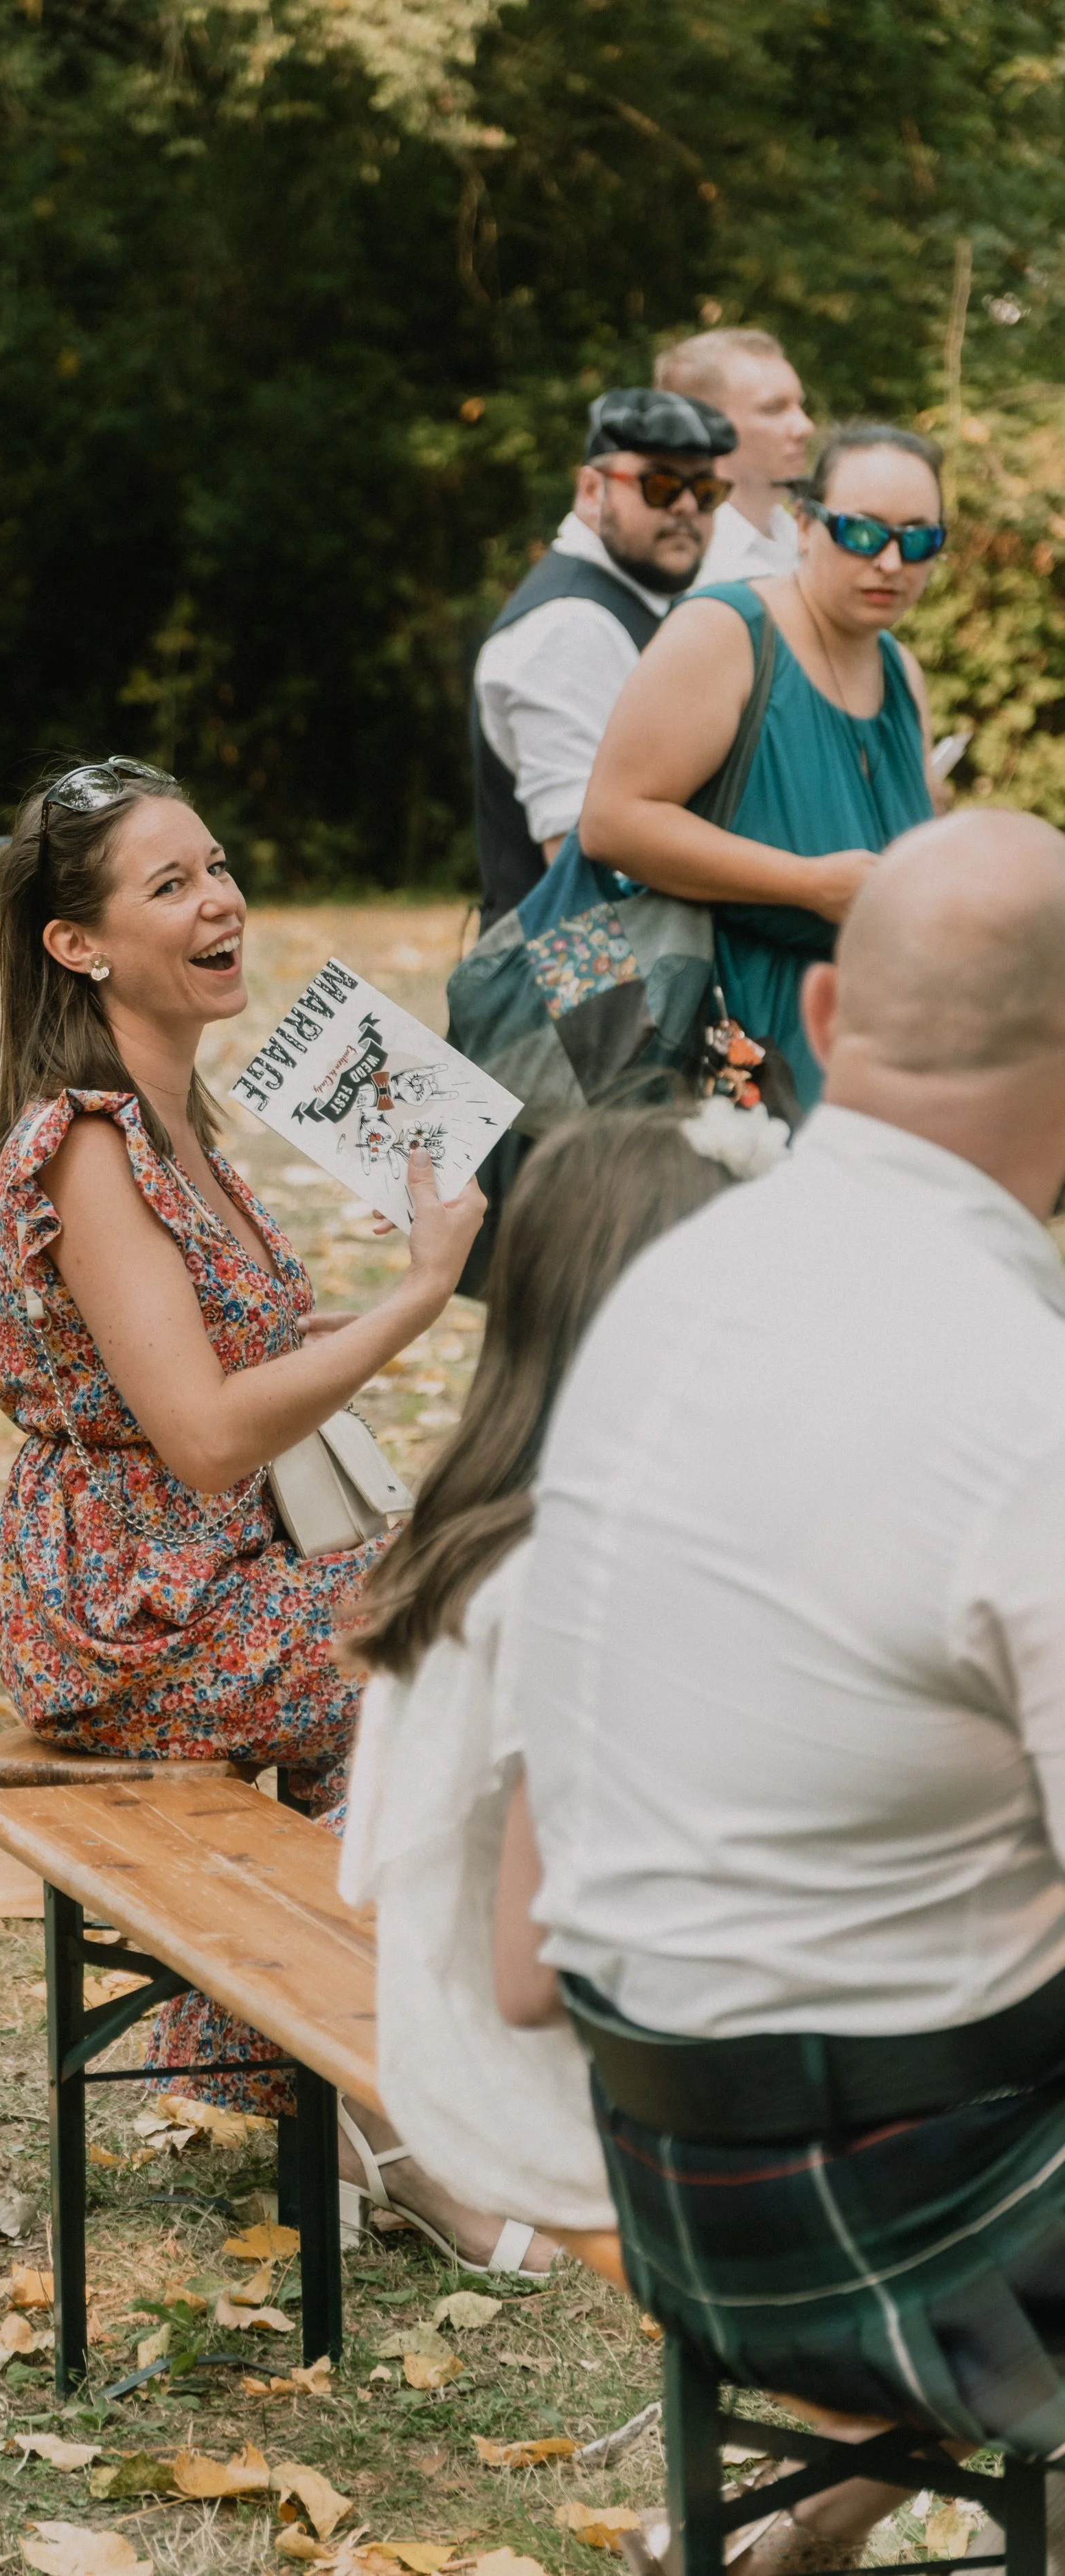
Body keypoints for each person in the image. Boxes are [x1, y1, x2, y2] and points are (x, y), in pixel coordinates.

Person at [507, 812, 1065, 2549]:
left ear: (821, 1012)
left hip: (674, 2184)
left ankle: (812, 2521)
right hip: (939, 2213)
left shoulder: (668, 1295)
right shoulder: (1016, 1393)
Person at [0, 756, 486, 2129]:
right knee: (454, 1645)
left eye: (215, 868)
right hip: (134, 1611)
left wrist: (351, 1305)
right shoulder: (88, 1145)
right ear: (75, 947)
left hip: (218, 1574)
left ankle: (340, 2082)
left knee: (424, 1658)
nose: (221, 902)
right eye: (171, 884)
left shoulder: (182, 1125)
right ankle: (276, 2046)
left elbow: (205, 1352)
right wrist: (412, 1301)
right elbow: (201, 1438)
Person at [340, 1097, 780, 2284]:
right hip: (538, 2106)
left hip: (462, 2044)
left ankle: (854, 2464)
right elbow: (540, 1975)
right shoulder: (575, 1587)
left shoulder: (493, 1516)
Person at [578, 422, 941, 1118]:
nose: (891, 562)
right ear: (804, 525)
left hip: (867, 1066)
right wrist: (808, 885)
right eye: (861, 533)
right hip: (719, 1061)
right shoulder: (726, 633)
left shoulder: (902, 672)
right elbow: (612, 822)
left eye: (919, 539)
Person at [470, 385, 735, 932]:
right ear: (592, 490)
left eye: (705, 490)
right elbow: (583, 871)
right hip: (569, 998)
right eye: (660, 485)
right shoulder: (569, 627)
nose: (686, 506)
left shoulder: (638, 604)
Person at [654, 326, 814, 587]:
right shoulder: (688, 562)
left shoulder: (798, 536)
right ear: (703, 427)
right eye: (774, 409)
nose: (805, 427)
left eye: (800, 405)